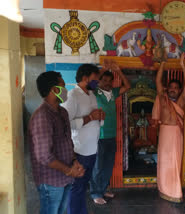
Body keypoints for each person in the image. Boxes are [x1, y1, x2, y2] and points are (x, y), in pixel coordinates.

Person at [28, 71, 85, 214]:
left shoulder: (62, 112)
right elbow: (44, 156)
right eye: (63, 86)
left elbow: (67, 141)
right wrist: (68, 170)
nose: (66, 91)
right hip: (51, 181)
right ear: (54, 90)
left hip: (65, 176)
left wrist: (74, 162)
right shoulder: (42, 116)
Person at [62, 64, 105, 214]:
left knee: (83, 186)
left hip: (92, 148)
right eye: (95, 79)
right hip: (79, 150)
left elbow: (94, 118)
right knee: (77, 187)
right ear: (85, 78)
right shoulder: (72, 96)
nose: (97, 82)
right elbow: (66, 124)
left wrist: (100, 117)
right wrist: (90, 117)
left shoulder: (91, 95)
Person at [89, 60, 130, 204]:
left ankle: (103, 189)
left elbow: (128, 86)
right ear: (99, 81)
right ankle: (95, 194)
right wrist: (103, 69)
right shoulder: (95, 92)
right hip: (99, 135)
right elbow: (91, 83)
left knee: (107, 165)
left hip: (112, 135)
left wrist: (118, 71)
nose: (107, 83)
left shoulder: (113, 92)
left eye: (109, 80)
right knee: (98, 166)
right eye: (104, 80)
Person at [152, 53, 185, 202]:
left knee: (174, 161)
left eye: (176, 87)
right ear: (167, 88)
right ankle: (163, 189)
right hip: (164, 132)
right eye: (171, 87)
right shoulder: (163, 98)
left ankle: (175, 192)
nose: (173, 89)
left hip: (175, 133)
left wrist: (182, 65)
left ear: (179, 90)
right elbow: (157, 80)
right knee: (163, 161)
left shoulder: (180, 101)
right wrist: (162, 63)